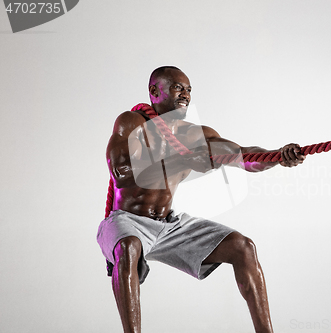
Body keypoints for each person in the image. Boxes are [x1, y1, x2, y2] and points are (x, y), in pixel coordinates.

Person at [97, 66, 305, 333]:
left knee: (243, 247)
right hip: (127, 222)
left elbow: (242, 156)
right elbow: (121, 172)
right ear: (154, 91)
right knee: (128, 247)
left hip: (168, 224)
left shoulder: (193, 135)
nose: (185, 94)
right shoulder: (132, 123)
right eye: (177, 87)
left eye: (188, 89)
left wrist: (276, 156)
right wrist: (180, 158)